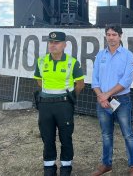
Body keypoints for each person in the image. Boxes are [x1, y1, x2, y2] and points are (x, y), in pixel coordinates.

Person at [34, 31, 85, 176]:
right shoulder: (41, 61)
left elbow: (80, 84)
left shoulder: (72, 62)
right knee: (47, 137)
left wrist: (69, 98)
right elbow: (39, 80)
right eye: (50, 42)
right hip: (45, 105)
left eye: (56, 43)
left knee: (66, 137)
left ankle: (65, 167)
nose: (53, 45)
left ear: (64, 45)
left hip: (64, 105)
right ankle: (49, 167)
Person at [91, 25, 133, 176]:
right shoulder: (100, 55)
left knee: (128, 134)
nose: (111, 37)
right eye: (108, 34)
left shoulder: (127, 55)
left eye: (114, 34)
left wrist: (107, 94)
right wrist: (101, 96)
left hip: (121, 100)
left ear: (120, 36)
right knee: (106, 134)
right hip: (103, 102)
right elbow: (94, 79)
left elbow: (126, 80)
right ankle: (106, 164)